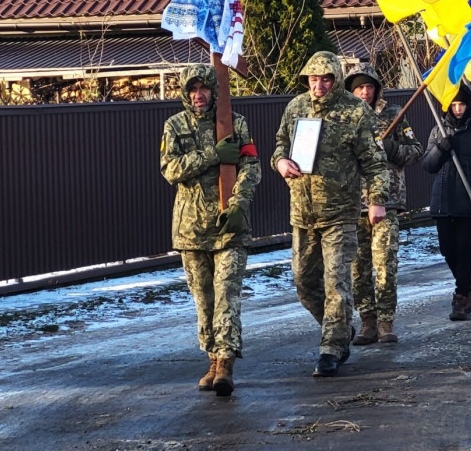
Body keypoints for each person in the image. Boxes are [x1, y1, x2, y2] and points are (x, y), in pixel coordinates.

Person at [272, 51, 390, 378]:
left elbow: (376, 163)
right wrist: (281, 162)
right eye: (313, 79)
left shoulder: (355, 112)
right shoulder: (296, 107)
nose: (319, 85)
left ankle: (332, 348)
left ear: (336, 79)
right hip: (303, 213)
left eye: (326, 79)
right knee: (305, 283)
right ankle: (337, 327)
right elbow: (280, 146)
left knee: (337, 282)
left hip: (340, 213)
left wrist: (377, 200)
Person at [160, 64, 261, 397]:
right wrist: (210, 156)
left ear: (214, 91)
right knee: (203, 300)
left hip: (228, 226)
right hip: (191, 230)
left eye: (204, 88)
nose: (198, 95)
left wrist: (238, 205)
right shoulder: (174, 126)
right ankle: (212, 358)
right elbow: (171, 170)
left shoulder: (235, 124)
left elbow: (251, 168)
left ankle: (226, 364)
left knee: (226, 297)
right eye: (192, 89)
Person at [344, 62, 422, 346]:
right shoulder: (342, 117)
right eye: (359, 87)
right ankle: (367, 322)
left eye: (369, 86)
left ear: (377, 88)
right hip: (353, 203)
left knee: (385, 263)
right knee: (358, 267)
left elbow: (416, 151)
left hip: (387, 201)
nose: (364, 92)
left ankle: (386, 321)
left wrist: (393, 149)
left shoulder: (393, 114)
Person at [424, 85, 471, 321]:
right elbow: (428, 165)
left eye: (462, 104)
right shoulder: (438, 131)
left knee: (464, 249)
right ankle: (468, 284)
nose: (457, 109)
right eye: (454, 105)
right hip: (443, 199)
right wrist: (440, 149)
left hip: (469, 199)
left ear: (468, 105)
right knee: (447, 249)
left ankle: (461, 295)